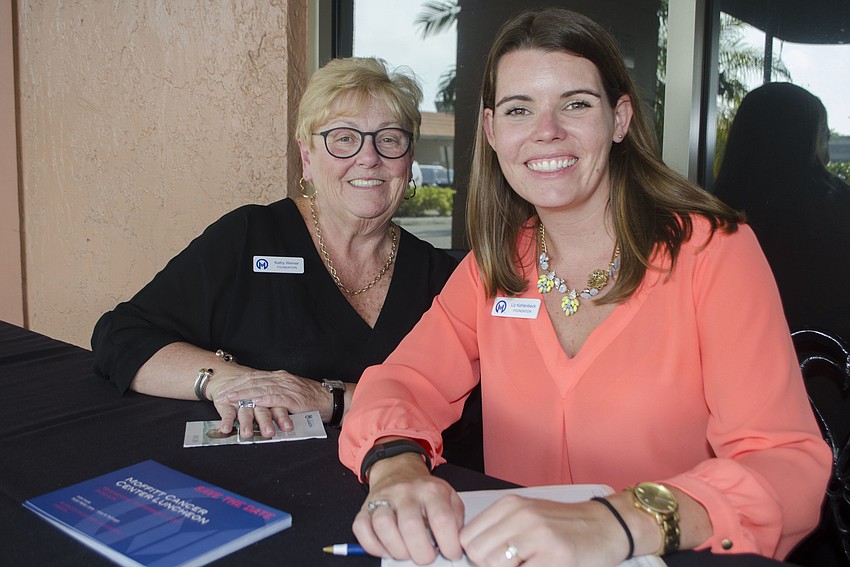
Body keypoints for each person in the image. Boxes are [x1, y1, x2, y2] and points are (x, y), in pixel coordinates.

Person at [338, 8, 831, 567]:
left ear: (619, 119)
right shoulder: (496, 263)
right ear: (492, 131)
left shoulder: (714, 252)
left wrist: (617, 519)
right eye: (520, 109)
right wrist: (397, 464)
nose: (546, 130)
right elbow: (403, 381)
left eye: (576, 104)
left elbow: (784, 464)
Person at [91, 57, 470, 451]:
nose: (369, 157)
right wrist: (225, 381)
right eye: (343, 137)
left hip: (393, 486)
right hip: (256, 484)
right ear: (307, 157)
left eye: (389, 139)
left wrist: (328, 399)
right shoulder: (250, 238)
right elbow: (120, 337)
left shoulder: (439, 277)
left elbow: (462, 406)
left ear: (409, 162)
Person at [714, 82, 850, 342]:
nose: (829, 156)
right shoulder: (837, 215)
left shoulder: (709, 224)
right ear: (804, 142)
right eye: (824, 138)